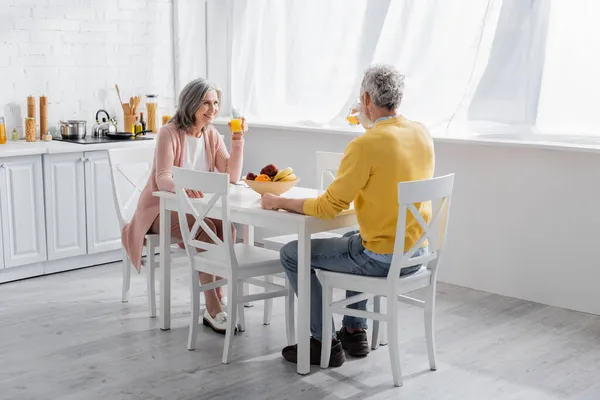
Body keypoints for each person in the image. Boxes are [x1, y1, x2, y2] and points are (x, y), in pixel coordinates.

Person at [260, 64, 435, 367]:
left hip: (382, 258)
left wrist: (280, 201)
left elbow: (329, 206)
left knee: (292, 253)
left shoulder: (366, 144)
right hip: (416, 253)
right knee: (349, 237)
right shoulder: (420, 132)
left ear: (366, 99)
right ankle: (354, 330)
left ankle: (322, 342)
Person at [122, 78, 248, 334]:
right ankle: (212, 308)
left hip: (195, 209)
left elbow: (232, 177)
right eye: (206, 103)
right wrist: (183, 185)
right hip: (160, 210)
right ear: (191, 104)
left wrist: (237, 139)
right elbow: (163, 178)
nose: (212, 109)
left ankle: (219, 293)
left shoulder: (211, 134)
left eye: (215, 103)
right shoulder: (169, 133)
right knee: (206, 230)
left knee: (227, 229)